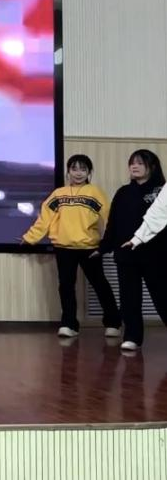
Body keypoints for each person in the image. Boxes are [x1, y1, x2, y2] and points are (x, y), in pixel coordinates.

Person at [22, 154, 120, 338]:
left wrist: (108, 244)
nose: (78, 173)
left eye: (83, 169)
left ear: (89, 172)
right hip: (64, 248)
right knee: (66, 287)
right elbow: (44, 219)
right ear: (68, 171)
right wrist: (30, 238)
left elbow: (110, 218)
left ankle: (113, 323)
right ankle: (69, 325)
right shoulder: (58, 194)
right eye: (74, 169)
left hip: (90, 248)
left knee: (100, 285)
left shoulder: (95, 192)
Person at [102, 150, 167, 350]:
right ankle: (132, 337)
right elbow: (112, 224)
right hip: (126, 254)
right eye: (132, 163)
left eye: (140, 163)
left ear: (152, 166)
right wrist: (104, 247)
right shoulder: (123, 192)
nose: (134, 166)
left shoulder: (161, 191)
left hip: (156, 254)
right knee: (129, 298)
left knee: (163, 296)